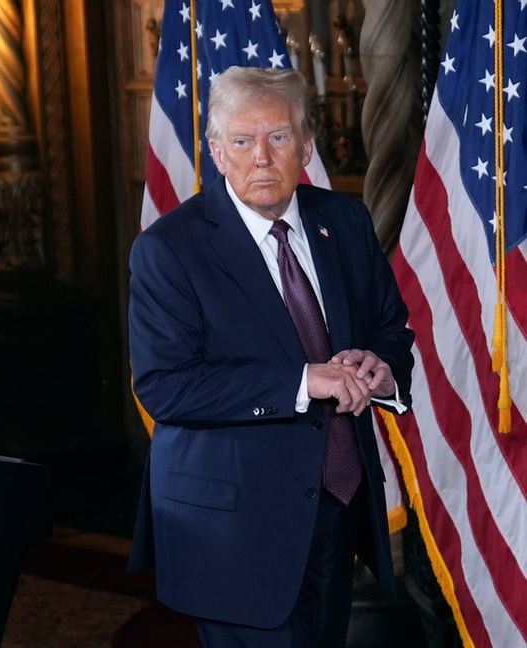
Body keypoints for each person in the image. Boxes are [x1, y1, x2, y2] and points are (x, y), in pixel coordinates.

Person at [127, 66, 415, 647]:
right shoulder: (170, 249)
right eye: (242, 140)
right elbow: (166, 386)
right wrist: (305, 381)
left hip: (337, 509)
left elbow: (391, 329)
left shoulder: (346, 221)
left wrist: (381, 370)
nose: (262, 157)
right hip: (236, 529)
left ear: (306, 147)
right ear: (216, 150)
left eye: (278, 137)